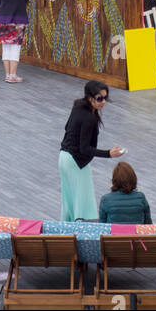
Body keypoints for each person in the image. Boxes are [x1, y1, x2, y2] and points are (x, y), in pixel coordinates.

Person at [59, 80, 125, 221]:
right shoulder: (89, 118)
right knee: (82, 202)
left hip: (64, 158)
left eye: (105, 98)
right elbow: (84, 148)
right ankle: (81, 233)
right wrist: (108, 154)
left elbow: (67, 128)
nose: (103, 102)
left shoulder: (77, 106)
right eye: (99, 98)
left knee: (69, 202)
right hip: (76, 162)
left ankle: (66, 233)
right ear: (90, 98)